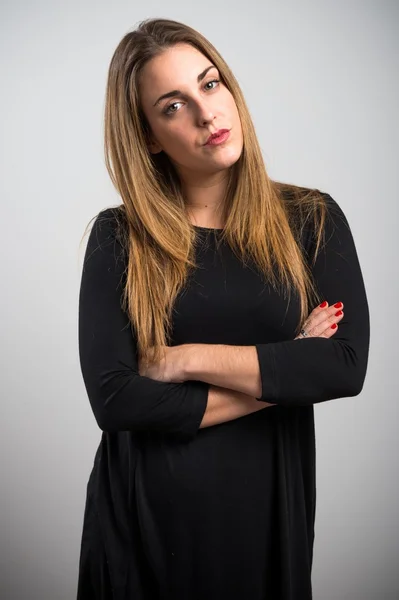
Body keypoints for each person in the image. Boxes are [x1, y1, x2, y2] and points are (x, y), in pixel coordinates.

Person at [76, 17, 370, 600]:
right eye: (173, 106)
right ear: (151, 137)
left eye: (210, 85)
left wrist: (185, 360)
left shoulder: (312, 220)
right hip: (144, 521)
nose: (207, 114)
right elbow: (115, 399)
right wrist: (285, 373)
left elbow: (342, 367)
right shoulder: (120, 237)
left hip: (267, 516)